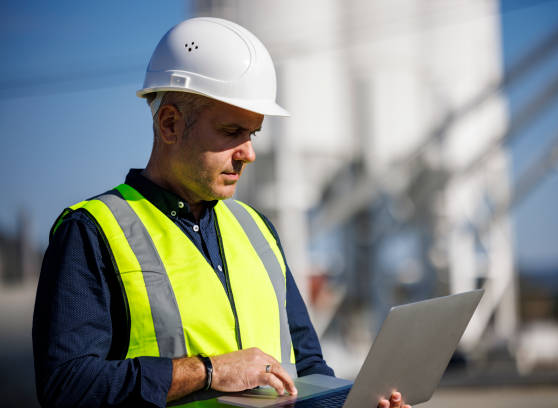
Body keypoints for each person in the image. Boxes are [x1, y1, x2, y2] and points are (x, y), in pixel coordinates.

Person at [32, 17, 410, 408]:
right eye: (232, 132)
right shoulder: (92, 232)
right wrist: (208, 371)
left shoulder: (256, 229)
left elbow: (307, 369)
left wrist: (358, 404)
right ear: (170, 124)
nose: (249, 152)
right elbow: (67, 386)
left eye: (253, 134)